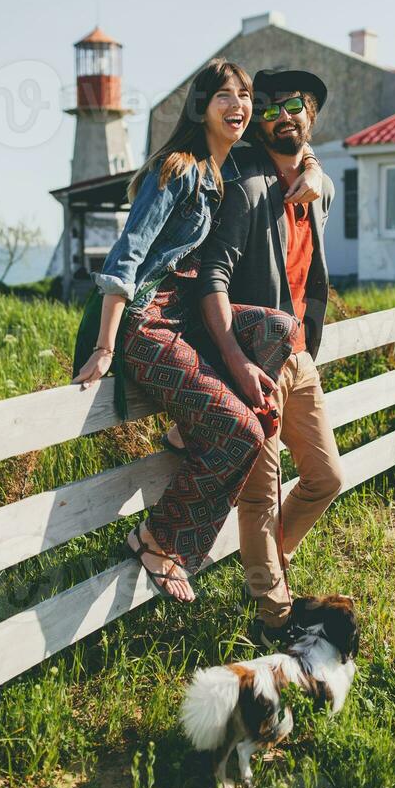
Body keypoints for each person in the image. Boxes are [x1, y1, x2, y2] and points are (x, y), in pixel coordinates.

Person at [72, 59, 322, 603]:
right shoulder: (180, 168)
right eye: (224, 97)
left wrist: (315, 169)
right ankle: (158, 538)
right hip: (147, 322)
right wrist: (105, 345)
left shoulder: (225, 169)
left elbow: (298, 152)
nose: (238, 106)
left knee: (279, 326)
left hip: (184, 319)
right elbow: (127, 256)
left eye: (245, 96)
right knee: (244, 434)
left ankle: (189, 429)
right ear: (201, 107)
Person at [196, 68, 346, 647]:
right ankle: (274, 620)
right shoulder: (249, 182)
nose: (282, 115)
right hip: (253, 359)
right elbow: (214, 275)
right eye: (269, 108)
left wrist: (314, 169)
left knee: (327, 476)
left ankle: (265, 566)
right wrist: (234, 361)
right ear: (258, 122)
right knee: (259, 493)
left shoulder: (316, 184)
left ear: (311, 116)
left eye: (294, 105)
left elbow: (322, 183)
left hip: (300, 357)